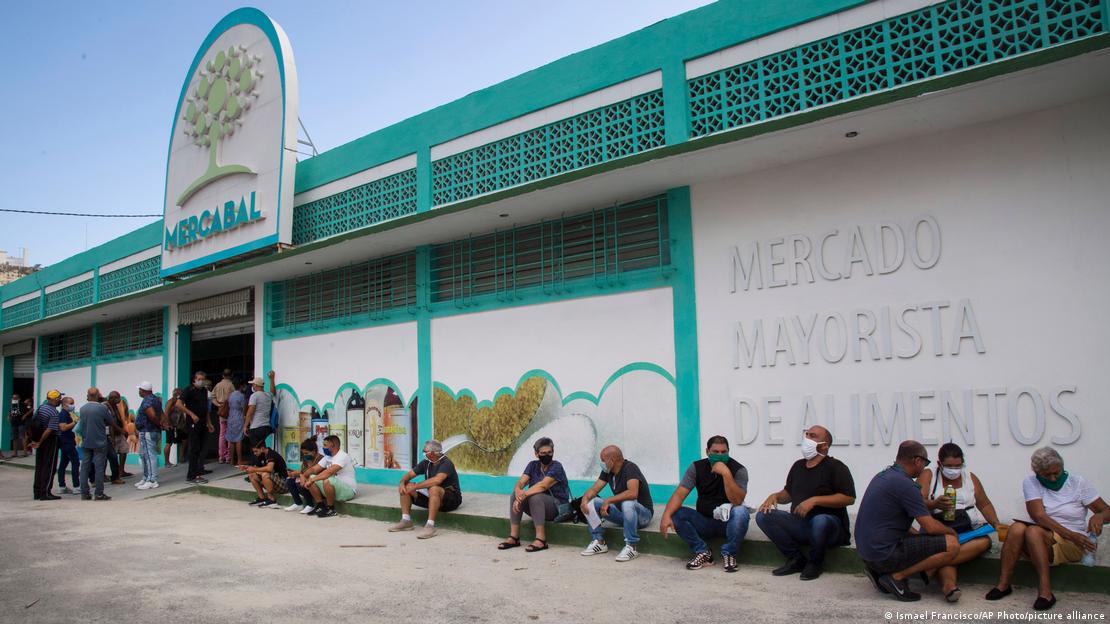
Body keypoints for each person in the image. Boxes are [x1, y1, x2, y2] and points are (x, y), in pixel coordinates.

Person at [987, 447, 1108, 611]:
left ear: (1062, 467)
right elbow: (1039, 516)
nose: (1052, 478)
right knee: (1016, 529)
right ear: (1037, 473)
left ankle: (1045, 592)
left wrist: (1099, 516)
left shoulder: (1078, 483)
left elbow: (1106, 510)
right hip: (1049, 537)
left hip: (1072, 543)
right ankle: (1003, 584)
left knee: (1033, 531)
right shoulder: (1031, 482)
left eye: (1056, 473)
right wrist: (1071, 535)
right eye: (1046, 475)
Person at [855, 440, 960, 602]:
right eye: (925, 463)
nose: (924, 467)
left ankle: (878, 572)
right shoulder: (907, 485)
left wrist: (921, 534)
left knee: (919, 537)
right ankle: (896, 577)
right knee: (951, 544)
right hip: (884, 554)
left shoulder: (884, 476)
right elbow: (930, 527)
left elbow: (894, 521)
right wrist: (952, 532)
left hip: (866, 552)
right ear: (917, 460)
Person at [756, 425, 856, 581]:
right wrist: (775, 496)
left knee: (820, 520)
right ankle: (796, 559)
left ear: (824, 446)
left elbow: (849, 498)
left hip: (830, 529)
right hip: (802, 524)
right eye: (807, 435)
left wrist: (815, 500)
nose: (807, 439)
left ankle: (815, 564)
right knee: (763, 516)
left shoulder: (836, 467)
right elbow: (788, 494)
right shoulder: (798, 466)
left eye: (813, 436)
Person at [914, 442, 1002, 602]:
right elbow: (917, 503)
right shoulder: (929, 475)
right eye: (949, 466)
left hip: (967, 529)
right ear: (939, 463)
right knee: (949, 547)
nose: (954, 470)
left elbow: (984, 504)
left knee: (984, 542)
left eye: (957, 466)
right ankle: (949, 586)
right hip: (939, 529)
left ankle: (935, 568)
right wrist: (935, 504)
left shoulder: (970, 478)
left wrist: (996, 523)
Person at [659, 435, 750, 572]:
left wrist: (726, 474)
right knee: (676, 513)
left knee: (741, 512)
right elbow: (680, 493)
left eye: (723, 452)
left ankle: (730, 553)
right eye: (716, 452)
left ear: (728, 451)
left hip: (729, 524)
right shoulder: (696, 467)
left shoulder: (739, 470)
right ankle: (703, 552)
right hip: (704, 521)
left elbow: (737, 500)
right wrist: (666, 516)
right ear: (707, 452)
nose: (720, 455)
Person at [579, 445, 654, 562]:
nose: (601, 463)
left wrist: (609, 500)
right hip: (623, 514)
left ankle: (632, 546)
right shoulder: (608, 471)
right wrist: (584, 500)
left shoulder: (630, 468)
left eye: (603, 460)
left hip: (642, 516)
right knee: (592, 503)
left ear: (612, 460)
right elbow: (594, 489)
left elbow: (633, 493)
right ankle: (599, 542)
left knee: (628, 503)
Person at [498, 437, 571, 552]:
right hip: (538, 506)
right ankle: (514, 537)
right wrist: (518, 490)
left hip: (557, 507)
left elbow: (543, 485)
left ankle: (541, 540)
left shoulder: (557, 466)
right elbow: (521, 482)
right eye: (543, 453)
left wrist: (523, 495)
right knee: (514, 495)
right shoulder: (533, 465)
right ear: (536, 454)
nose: (547, 455)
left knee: (535, 497)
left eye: (549, 452)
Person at [391, 439, 462, 538]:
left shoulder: (446, 463)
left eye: (425, 451)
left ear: (431, 453)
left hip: (451, 500)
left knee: (434, 488)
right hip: (433, 498)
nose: (423, 453)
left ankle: (430, 526)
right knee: (407, 487)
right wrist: (402, 482)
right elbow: (410, 474)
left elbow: (437, 480)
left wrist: (416, 486)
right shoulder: (426, 463)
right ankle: (406, 520)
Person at [302, 434, 358, 518]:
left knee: (327, 480)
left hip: (348, 490)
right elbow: (314, 469)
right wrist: (303, 476)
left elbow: (328, 472)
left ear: (333, 446)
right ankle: (320, 506)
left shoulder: (343, 456)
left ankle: (331, 509)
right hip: (334, 488)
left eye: (325, 445)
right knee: (312, 477)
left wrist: (312, 480)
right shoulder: (327, 457)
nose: (323, 448)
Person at [78, 388, 114, 501]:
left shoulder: (83, 408)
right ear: (98, 395)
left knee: (85, 467)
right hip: (99, 441)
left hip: (86, 440)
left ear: (88, 395)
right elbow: (110, 421)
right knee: (99, 468)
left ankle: (84, 493)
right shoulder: (102, 408)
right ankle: (98, 493)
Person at [28, 390, 64, 500]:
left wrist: (35, 440)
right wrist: (40, 441)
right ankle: (45, 493)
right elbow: (49, 430)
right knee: (49, 467)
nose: (60, 400)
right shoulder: (54, 412)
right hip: (50, 441)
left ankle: (37, 492)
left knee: (40, 466)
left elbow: (32, 424)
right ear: (54, 399)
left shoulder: (41, 408)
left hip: (39, 439)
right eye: (59, 398)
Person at [181, 371, 215, 484]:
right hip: (193, 423)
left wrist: (209, 423)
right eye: (199, 379)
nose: (201, 381)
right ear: (194, 379)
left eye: (203, 379)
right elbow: (178, 404)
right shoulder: (188, 390)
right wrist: (191, 414)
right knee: (194, 449)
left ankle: (199, 471)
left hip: (203, 423)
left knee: (201, 448)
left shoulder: (204, 391)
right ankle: (191, 476)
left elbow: (206, 409)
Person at [240, 439, 289, 508]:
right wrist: (247, 467)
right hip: (274, 483)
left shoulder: (271, 454)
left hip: (284, 484)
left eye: (256, 451)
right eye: (254, 452)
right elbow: (257, 468)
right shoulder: (261, 455)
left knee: (265, 474)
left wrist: (254, 469)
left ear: (262, 448)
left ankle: (272, 500)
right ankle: (261, 498)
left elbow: (269, 468)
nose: (255, 453)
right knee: (252, 475)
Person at [135, 381, 163, 490]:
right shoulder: (155, 399)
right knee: (144, 455)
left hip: (148, 431)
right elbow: (161, 413)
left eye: (140, 390)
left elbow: (152, 416)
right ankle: (146, 477)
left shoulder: (147, 400)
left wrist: (158, 424)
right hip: (151, 431)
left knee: (149, 456)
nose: (139, 392)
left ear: (143, 390)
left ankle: (152, 480)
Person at [284, 438, 323, 513]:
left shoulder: (321, 459)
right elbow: (302, 472)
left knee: (299, 482)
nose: (305, 455)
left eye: (306, 453)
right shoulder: (306, 459)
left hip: (316, 481)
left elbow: (315, 473)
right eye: (303, 453)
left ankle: (310, 505)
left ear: (314, 451)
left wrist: (301, 475)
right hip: (307, 479)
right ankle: (298, 503)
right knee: (290, 481)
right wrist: (294, 473)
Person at [55, 396, 81, 495]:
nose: (73, 405)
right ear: (64, 404)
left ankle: (62, 486)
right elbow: (63, 427)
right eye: (71, 403)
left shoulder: (68, 413)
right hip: (67, 442)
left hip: (66, 441)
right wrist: (75, 422)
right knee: (75, 463)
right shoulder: (63, 414)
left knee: (63, 464)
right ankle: (76, 486)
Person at [107, 391, 133, 479]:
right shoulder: (106, 406)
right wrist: (120, 430)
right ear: (112, 398)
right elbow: (111, 423)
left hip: (119, 433)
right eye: (117, 398)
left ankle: (121, 470)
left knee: (124, 450)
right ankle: (114, 474)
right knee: (111, 455)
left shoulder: (117, 406)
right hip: (111, 434)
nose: (119, 400)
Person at [244, 374, 274, 448]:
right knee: (262, 448)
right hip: (266, 426)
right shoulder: (268, 395)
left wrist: (245, 426)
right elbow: (273, 391)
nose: (252, 386)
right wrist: (272, 379)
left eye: (253, 384)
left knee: (256, 450)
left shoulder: (254, 396)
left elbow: (250, 412)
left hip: (256, 427)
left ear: (256, 385)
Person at [213, 369, 235, 464]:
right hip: (230, 411)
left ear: (222, 375)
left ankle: (221, 456)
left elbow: (212, 397)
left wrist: (218, 405)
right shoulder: (231, 385)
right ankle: (228, 456)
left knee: (222, 434)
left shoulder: (217, 385)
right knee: (230, 434)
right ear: (231, 376)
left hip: (221, 411)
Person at [163, 388, 188, 466]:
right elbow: (166, 413)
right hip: (171, 425)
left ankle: (181, 457)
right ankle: (167, 462)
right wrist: (169, 424)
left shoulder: (180, 402)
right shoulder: (171, 402)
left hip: (179, 425)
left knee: (185, 439)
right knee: (169, 443)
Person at [225, 378, 247, 467]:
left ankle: (231, 460)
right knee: (238, 440)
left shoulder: (230, 395)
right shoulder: (241, 396)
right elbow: (244, 408)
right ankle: (239, 460)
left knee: (231, 440)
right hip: (239, 418)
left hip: (231, 417)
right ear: (241, 386)